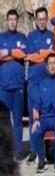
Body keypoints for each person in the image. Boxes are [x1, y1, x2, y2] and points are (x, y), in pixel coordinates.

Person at [26, 6, 55, 163]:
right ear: (36, 21)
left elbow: (52, 57)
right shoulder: (30, 36)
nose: (42, 22)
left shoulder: (52, 35)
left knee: (47, 114)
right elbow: (30, 56)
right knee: (33, 116)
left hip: (48, 82)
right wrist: (44, 53)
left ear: (47, 19)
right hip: (34, 83)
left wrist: (40, 54)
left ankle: (49, 150)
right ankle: (33, 150)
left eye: (44, 19)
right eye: (39, 19)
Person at [0, 9, 27, 158]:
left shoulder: (22, 37)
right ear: (7, 21)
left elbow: (23, 54)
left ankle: (17, 151)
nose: (12, 22)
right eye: (10, 19)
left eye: (14, 19)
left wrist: (8, 53)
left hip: (18, 86)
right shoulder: (1, 37)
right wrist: (14, 54)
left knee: (17, 121)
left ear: (17, 21)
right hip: (4, 86)